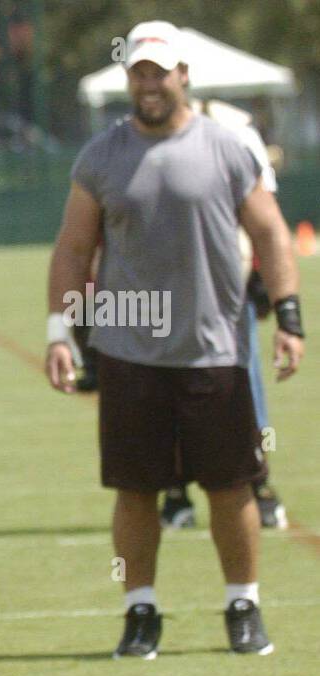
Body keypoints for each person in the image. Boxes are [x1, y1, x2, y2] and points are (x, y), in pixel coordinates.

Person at [44, 21, 304, 660]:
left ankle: (242, 603)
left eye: (160, 71)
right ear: (129, 77)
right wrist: (60, 331)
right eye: (139, 71)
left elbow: (271, 233)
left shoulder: (228, 147)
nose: (149, 83)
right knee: (135, 489)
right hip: (129, 353)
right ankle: (141, 613)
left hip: (214, 350)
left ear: (183, 74)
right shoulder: (101, 156)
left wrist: (290, 317)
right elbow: (75, 247)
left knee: (231, 486)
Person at [160, 94, 289, 530]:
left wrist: (268, 283)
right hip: (165, 288)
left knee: (243, 386)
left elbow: (265, 217)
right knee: (167, 389)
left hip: (228, 290)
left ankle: (259, 483)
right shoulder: (142, 135)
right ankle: (175, 490)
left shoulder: (236, 136)